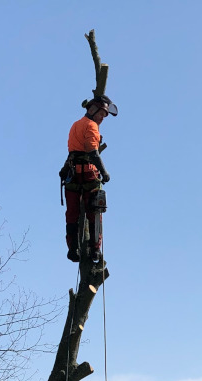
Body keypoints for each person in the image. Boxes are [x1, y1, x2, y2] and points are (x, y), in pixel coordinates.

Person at [62, 95, 117, 262]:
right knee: (95, 213)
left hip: (72, 175)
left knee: (72, 214)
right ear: (93, 110)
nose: (102, 118)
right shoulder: (92, 126)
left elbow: (72, 151)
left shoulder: (75, 125)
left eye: (104, 116)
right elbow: (92, 152)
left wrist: (64, 169)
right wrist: (104, 172)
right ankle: (94, 250)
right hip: (88, 175)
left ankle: (73, 249)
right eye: (101, 114)